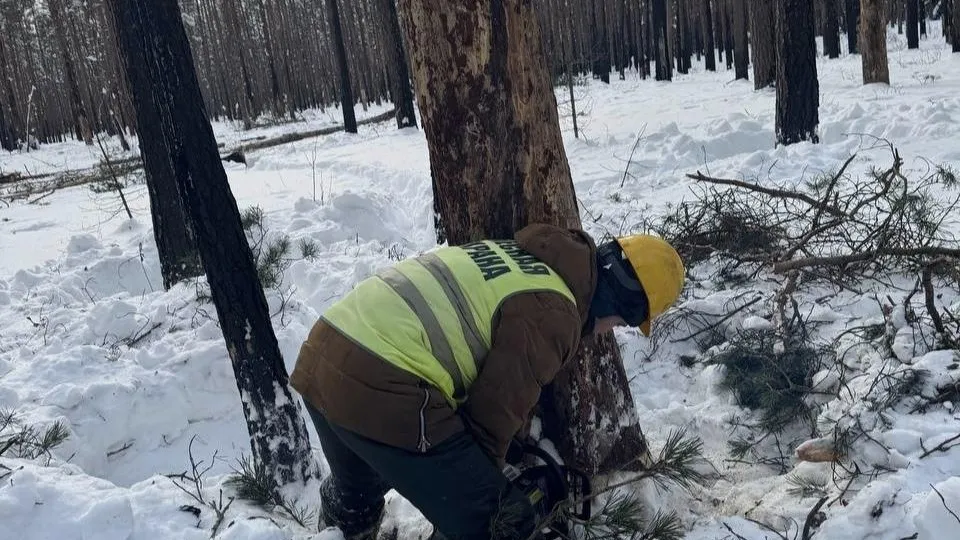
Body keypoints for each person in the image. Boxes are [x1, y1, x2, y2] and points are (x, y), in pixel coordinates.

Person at [290, 223, 685, 540]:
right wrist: (488, 487)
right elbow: (487, 421)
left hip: (326, 353)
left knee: (358, 491)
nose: (608, 331)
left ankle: (339, 528)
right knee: (497, 521)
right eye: (623, 322)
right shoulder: (556, 311)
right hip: (384, 381)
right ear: (624, 303)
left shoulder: (524, 254)